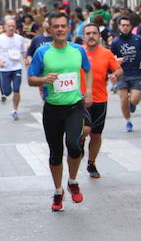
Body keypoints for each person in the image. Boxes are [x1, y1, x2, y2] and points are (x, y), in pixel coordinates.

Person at [27, 12, 93, 212]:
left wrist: (88, 90)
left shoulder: (78, 50)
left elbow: (88, 69)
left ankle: (72, 181)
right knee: (55, 154)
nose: (60, 29)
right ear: (50, 29)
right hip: (52, 110)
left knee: (74, 146)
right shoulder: (42, 53)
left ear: (68, 28)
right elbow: (31, 79)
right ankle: (58, 192)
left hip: (74, 107)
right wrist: (43, 80)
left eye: (63, 26)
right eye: (56, 26)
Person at [80, 23, 121, 179]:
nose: (91, 36)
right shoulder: (78, 52)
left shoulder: (106, 53)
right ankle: (80, 144)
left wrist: (115, 74)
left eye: (94, 33)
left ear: (99, 35)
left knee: (96, 135)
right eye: (88, 33)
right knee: (85, 130)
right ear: (84, 36)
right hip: (80, 100)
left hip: (100, 100)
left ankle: (91, 163)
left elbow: (118, 68)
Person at [110, 15, 141, 132]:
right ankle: (128, 121)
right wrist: (116, 60)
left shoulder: (137, 39)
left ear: (131, 26)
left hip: (136, 72)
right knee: (124, 99)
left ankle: (132, 104)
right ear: (119, 27)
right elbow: (110, 57)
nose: (125, 27)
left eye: (127, 25)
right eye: (123, 25)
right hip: (122, 74)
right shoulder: (115, 42)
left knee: (135, 99)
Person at [0, 18, 27, 120]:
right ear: (5, 27)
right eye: (9, 26)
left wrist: (25, 59)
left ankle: (15, 110)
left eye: (13, 26)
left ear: (15, 27)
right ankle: (7, 92)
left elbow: (24, 51)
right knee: (6, 92)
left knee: (16, 90)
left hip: (16, 68)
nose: (11, 28)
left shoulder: (19, 38)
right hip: (4, 69)